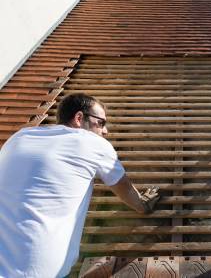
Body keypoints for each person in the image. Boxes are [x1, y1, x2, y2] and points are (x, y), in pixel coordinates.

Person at [0, 93, 160, 278]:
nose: (105, 131)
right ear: (79, 118)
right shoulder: (92, 142)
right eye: (101, 123)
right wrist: (142, 205)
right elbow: (125, 190)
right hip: (33, 271)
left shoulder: (20, 136)